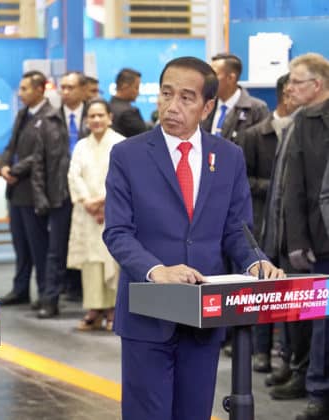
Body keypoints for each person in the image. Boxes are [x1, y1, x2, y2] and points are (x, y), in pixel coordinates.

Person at [103, 56, 284, 420]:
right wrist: (157, 270)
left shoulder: (228, 157)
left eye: (186, 98)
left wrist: (255, 259)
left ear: (208, 107)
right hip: (147, 314)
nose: (172, 106)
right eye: (166, 94)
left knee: (195, 412)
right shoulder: (128, 155)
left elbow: (237, 228)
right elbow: (117, 232)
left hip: (206, 315)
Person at [284, 53, 329, 420]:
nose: (289, 87)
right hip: (319, 240)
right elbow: (294, 188)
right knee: (321, 322)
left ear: (317, 84)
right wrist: (297, 241)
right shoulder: (303, 123)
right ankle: (319, 392)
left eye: (296, 81)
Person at [239, 73, 294, 374]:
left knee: (286, 292)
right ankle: (261, 350)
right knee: (260, 288)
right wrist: (275, 185)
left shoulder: (305, 131)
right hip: (261, 221)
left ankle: (286, 356)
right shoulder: (255, 134)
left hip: (292, 227)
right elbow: (243, 180)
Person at [31, 71, 88, 318]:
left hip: (91, 195)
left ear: (84, 90)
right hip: (60, 194)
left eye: (70, 87)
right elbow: (38, 161)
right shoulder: (50, 120)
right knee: (55, 251)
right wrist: (41, 196)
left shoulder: (96, 116)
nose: (65, 92)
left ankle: (100, 305)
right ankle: (50, 300)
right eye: (62, 88)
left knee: (96, 250)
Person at [67, 99, 123, 331]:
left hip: (113, 211)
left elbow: (122, 177)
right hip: (87, 212)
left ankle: (113, 310)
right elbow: (74, 175)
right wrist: (88, 201)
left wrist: (103, 202)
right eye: (92, 116)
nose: (96, 120)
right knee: (91, 262)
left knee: (112, 260)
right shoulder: (81, 146)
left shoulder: (121, 144)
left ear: (110, 117)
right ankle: (94, 308)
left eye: (101, 115)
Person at [0, 70, 52, 307]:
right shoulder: (22, 115)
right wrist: (3, 166)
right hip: (16, 191)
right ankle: (20, 289)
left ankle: (44, 292)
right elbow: (10, 146)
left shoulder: (50, 116)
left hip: (34, 190)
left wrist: (16, 170)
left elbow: (42, 155)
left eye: (25, 89)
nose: (20, 94)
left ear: (39, 89)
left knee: (38, 246)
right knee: (20, 245)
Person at [202, 53, 269, 144]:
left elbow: (263, 148)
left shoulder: (257, 109)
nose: (208, 80)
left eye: (214, 75)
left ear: (231, 78)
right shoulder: (206, 106)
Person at [109, 68, 148, 138]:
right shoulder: (129, 112)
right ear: (125, 86)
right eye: (136, 87)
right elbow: (144, 138)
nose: (138, 92)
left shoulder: (108, 107)